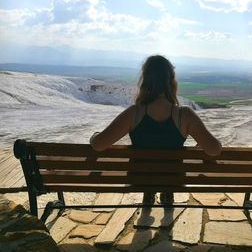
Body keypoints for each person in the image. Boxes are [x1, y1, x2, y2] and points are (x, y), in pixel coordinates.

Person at [90, 55, 222, 205]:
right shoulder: (184, 115)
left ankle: (149, 192)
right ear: (171, 82)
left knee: (147, 171)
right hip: (174, 181)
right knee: (168, 173)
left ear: (145, 81)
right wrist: (201, 145)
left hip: (138, 180)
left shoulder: (134, 113)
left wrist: (94, 137)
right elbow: (214, 149)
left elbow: (98, 145)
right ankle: (167, 193)